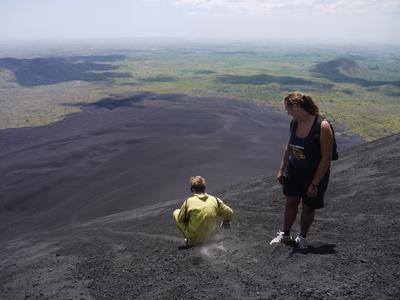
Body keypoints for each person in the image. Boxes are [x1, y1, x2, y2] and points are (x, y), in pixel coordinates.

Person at [270, 91, 334, 249]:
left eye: (288, 108)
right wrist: (282, 169)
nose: (287, 112)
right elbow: (289, 146)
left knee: (308, 207)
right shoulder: (295, 122)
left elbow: (326, 158)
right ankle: (285, 234)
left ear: (297, 107)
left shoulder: (322, 126)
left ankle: (302, 237)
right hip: (294, 171)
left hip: (313, 175)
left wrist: (315, 183)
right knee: (290, 202)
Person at [173, 176, 233, 246]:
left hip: (195, 239)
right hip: (211, 237)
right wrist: (226, 220)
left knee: (176, 212)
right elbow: (230, 212)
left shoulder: (189, 202)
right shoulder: (215, 200)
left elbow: (180, 219)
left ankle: (190, 240)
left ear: (192, 189)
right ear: (204, 188)